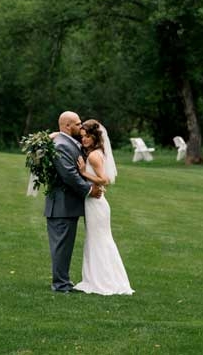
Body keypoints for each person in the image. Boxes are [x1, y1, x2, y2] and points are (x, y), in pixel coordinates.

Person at [44, 111, 103, 293]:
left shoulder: (64, 141)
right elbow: (69, 175)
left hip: (67, 206)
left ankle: (64, 281)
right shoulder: (62, 145)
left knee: (65, 246)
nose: (81, 126)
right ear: (67, 126)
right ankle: (61, 284)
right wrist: (89, 190)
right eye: (77, 124)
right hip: (61, 206)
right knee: (61, 247)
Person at [74, 119, 134, 295]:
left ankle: (103, 281)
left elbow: (104, 179)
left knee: (98, 240)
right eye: (82, 136)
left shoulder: (93, 155)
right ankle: (103, 278)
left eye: (88, 136)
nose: (84, 140)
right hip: (95, 202)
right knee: (98, 240)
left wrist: (84, 173)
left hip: (96, 204)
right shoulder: (97, 152)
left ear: (95, 136)